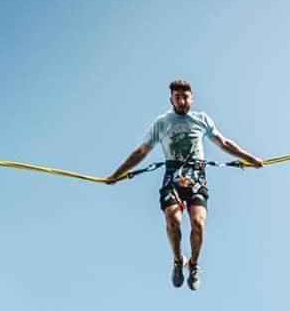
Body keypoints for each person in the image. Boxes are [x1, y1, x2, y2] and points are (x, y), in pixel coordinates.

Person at [106, 79, 264, 291]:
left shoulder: (202, 119)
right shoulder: (162, 122)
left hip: (196, 175)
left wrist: (251, 159)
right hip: (173, 175)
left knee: (198, 224)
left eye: (185, 97)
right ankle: (178, 260)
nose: (181, 101)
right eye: (177, 97)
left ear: (192, 98)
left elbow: (223, 143)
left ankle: (194, 264)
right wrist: (117, 174)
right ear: (170, 99)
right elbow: (142, 151)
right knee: (173, 220)